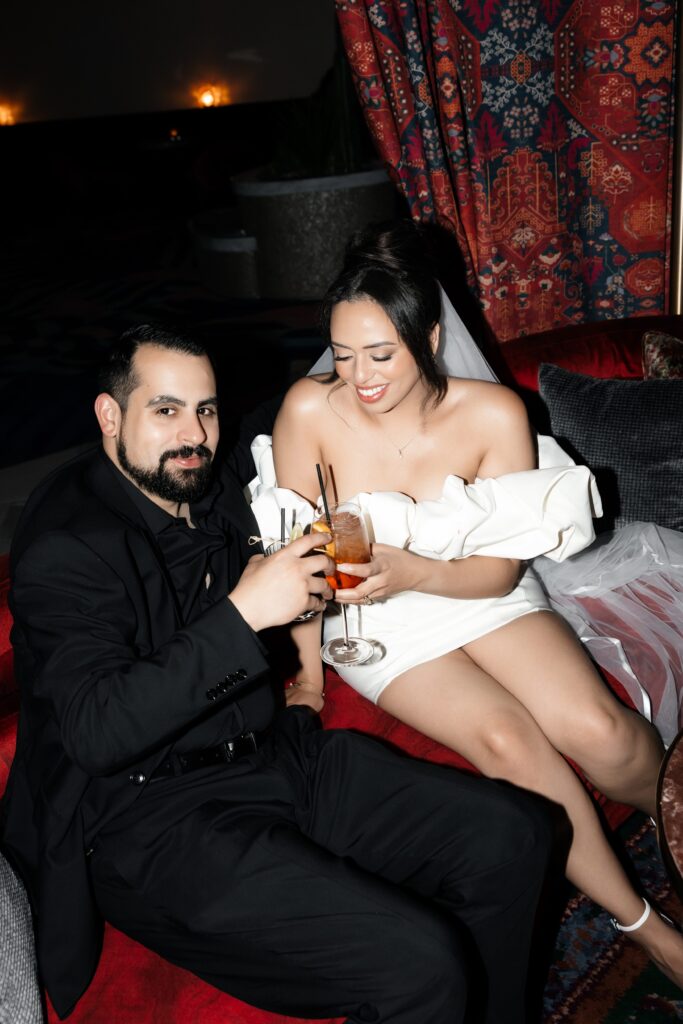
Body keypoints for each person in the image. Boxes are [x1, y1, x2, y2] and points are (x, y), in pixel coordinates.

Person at [0, 324, 552, 1024]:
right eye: (164, 410)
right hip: (155, 820)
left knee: (514, 836)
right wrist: (242, 614)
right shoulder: (67, 543)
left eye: (205, 409)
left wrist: (386, 352)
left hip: (277, 756)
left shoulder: (214, 472)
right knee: (418, 963)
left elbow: (324, 394)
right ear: (110, 416)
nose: (192, 432)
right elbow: (96, 732)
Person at [263, 220, 683, 989]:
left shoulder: (492, 414)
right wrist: (310, 674)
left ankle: (673, 821)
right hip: (376, 620)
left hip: (474, 589)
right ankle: (648, 929)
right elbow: (304, 550)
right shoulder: (307, 410)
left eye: (380, 354)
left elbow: (494, 573)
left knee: (596, 729)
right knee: (505, 741)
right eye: (342, 352)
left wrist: (416, 569)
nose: (356, 376)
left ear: (426, 335)